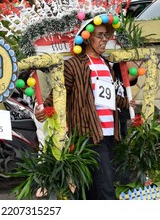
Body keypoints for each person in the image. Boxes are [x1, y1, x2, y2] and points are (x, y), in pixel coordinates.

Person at [35, 14, 135, 200]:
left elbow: (106, 95)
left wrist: (125, 103)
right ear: (87, 38)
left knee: (89, 189)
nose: (104, 40)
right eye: (100, 35)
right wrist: (45, 108)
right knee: (105, 190)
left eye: (106, 36)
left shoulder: (106, 64)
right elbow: (60, 91)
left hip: (109, 134)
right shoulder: (73, 65)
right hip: (88, 135)